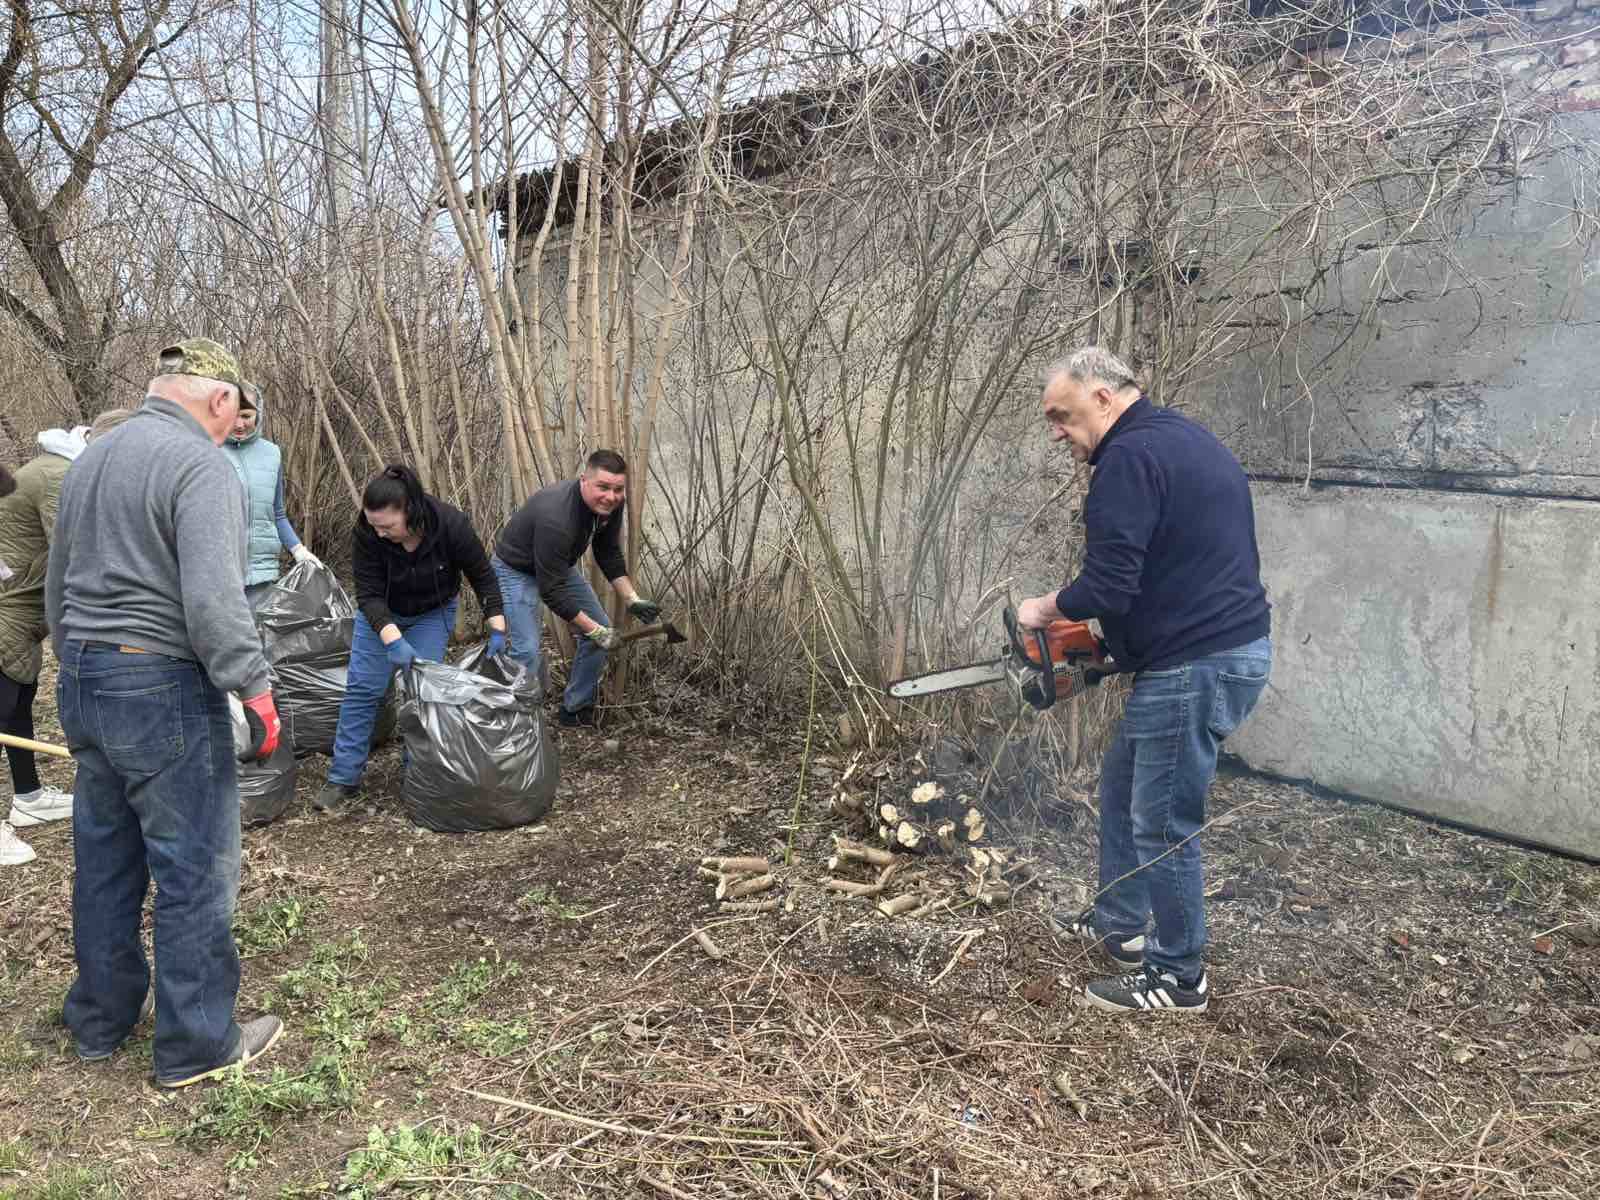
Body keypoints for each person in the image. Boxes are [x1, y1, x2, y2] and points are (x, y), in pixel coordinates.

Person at [45, 337, 285, 1085]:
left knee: (106, 859)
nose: (231, 429)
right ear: (218, 399)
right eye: (232, 415)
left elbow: (57, 584)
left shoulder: (92, 459)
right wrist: (254, 686)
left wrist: (77, 660)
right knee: (194, 869)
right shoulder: (201, 465)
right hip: (158, 688)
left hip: (84, 677)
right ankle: (196, 1046)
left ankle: (100, 1019)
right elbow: (214, 600)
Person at [1016, 346, 1271, 1016]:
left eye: (1063, 417)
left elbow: (1109, 583)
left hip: (1197, 662)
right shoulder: (1177, 440)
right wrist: (1106, 649)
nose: (1057, 433)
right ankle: (1120, 925)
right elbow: (1164, 576)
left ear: (1102, 397)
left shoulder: (1128, 459)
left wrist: (1044, 610)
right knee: (1125, 784)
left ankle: (1178, 977)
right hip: (1211, 649)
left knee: (1160, 820)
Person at [315, 465, 506, 813]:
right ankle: (343, 777)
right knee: (363, 690)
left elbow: (483, 577)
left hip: (433, 613)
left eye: (387, 526)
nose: (380, 533)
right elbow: (369, 595)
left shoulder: (451, 525)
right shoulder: (366, 534)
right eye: (374, 525)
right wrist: (393, 640)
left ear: (411, 511)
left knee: (422, 696)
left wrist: (497, 627)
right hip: (381, 616)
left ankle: (417, 772)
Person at [0, 409, 132, 869]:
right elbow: (77, 551)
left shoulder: (70, 469)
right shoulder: (62, 476)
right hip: (9, 603)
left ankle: (28, 797)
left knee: (17, 702)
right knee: (2, 702)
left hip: (24, 606)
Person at [489, 450, 659, 727]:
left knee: (597, 633)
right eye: (603, 487)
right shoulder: (557, 517)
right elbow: (552, 592)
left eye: (617, 489)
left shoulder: (611, 505)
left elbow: (608, 553)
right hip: (515, 570)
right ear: (584, 480)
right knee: (527, 650)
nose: (611, 496)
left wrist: (632, 599)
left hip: (555, 566)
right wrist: (594, 630)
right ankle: (515, 726)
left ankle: (574, 710)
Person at [222, 380, 320, 611]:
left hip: (262, 574)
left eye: (246, 415)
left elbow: (277, 513)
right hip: (220, 574)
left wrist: (299, 550)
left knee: (259, 644)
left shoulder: (271, 454)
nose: (239, 423)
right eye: (233, 414)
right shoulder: (205, 449)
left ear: (258, 413)